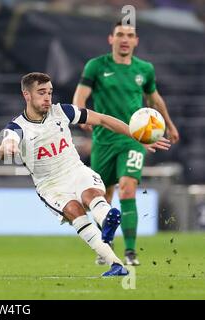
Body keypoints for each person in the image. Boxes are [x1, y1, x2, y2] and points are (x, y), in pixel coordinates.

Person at [0, 72, 170, 276]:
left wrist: (136, 136)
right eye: (41, 92)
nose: (47, 98)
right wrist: (6, 147)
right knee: (74, 211)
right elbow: (8, 141)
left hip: (75, 170)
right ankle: (116, 264)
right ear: (26, 95)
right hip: (51, 185)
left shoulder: (62, 111)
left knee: (91, 195)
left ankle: (108, 220)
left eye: (50, 92)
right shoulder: (18, 126)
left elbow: (102, 120)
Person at [73, 22, 179, 266]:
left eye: (130, 35)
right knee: (104, 196)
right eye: (120, 34)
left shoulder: (145, 69)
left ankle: (131, 252)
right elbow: (81, 93)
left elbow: (154, 98)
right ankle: (106, 247)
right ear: (111, 39)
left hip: (133, 140)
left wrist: (169, 124)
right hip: (103, 141)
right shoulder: (96, 66)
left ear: (136, 41)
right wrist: (82, 115)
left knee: (128, 188)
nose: (124, 39)